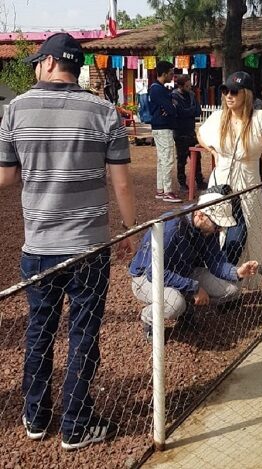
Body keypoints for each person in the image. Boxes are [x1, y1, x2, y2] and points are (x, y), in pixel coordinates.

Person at [0, 32, 136, 450]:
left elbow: (5, 178)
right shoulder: (104, 111)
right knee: (83, 334)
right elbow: (122, 185)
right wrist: (130, 233)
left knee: (40, 331)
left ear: (48, 63)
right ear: (76, 67)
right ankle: (76, 424)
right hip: (90, 248)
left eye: (38, 61)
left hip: (38, 247)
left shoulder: (15, 110)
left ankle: (36, 415)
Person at [196, 71, 262, 289]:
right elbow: (200, 134)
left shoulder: (260, 118)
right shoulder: (219, 117)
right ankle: (215, 282)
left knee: (246, 231)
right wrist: (211, 150)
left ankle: (243, 282)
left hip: (248, 182)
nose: (228, 96)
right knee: (214, 230)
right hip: (220, 181)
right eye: (225, 91)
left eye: (234, 91)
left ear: (246, 94)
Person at [128, 192, 259, 341]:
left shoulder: (208, 227)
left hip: (184, 271)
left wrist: (237, 272)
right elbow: (155, 272)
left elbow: (215, 260)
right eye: (217, 225)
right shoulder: (170, 228)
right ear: (200, 215)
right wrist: (194, 288)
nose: (220, 230)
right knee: (174, 304)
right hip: (146, 278)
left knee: (232, 289)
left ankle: (186, 308)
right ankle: (149, 318)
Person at [149, 60, 182, 203]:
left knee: (162, 160)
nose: (172, 76)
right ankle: (167, 191)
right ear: (164, 73)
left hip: (159, 126)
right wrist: (172, 107)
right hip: (163, 127)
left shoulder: (156, 88)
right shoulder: (159, 89)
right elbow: (170, 108)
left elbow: (168, 108)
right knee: (167, 159)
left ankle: (161, 189)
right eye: (171, 73)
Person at [172, 75, 205, 192]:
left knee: (197, 158)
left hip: (191, 131)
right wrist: (190, 111)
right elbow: (179, 112)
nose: (189, 87)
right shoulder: (174, 96)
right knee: (181, 159)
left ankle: (199, 181)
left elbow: (198, 111)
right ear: (181, 85)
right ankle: (182, 183)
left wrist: (189, 112)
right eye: (187, 85)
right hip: (180, 132)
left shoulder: (191, 95)